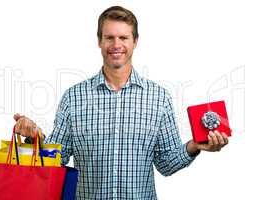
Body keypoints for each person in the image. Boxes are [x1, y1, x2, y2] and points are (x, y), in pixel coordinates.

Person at [14, 6, 229, 199]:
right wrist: (36, 138)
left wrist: (194, 146)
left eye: (124, 38)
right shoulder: (74, 97)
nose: (116, 45)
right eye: (109, 38)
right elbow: (57, 160)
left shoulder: (158, 98)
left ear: (135, 41)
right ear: (99, 41)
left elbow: (165, 164)